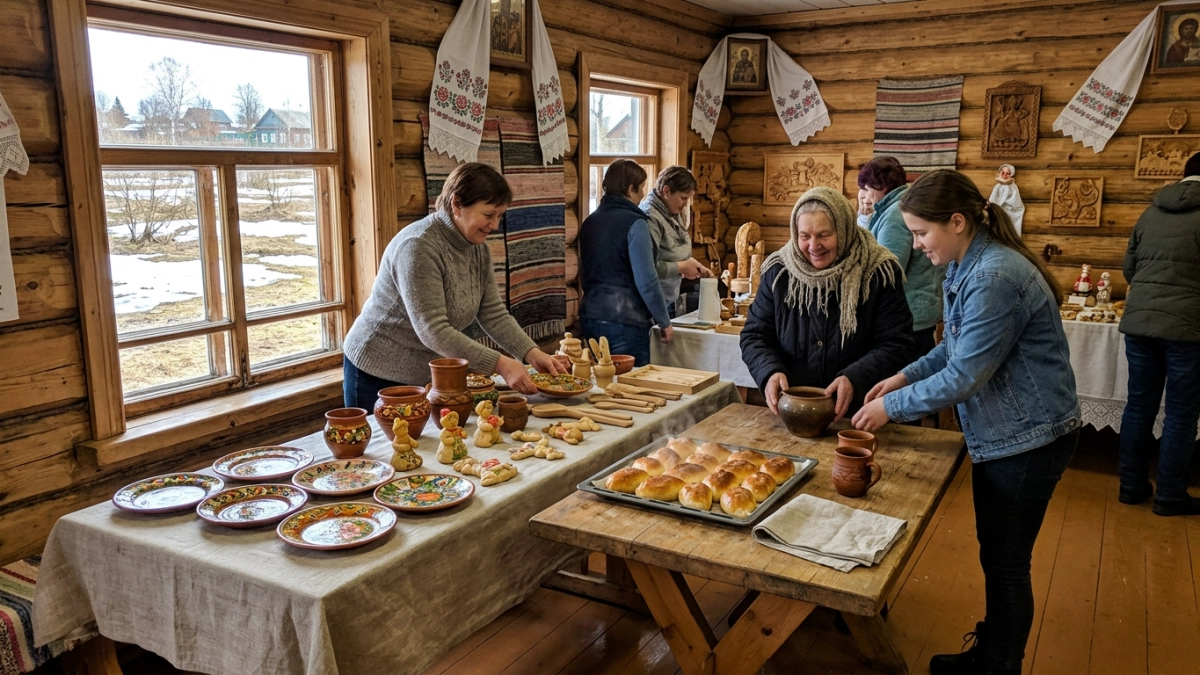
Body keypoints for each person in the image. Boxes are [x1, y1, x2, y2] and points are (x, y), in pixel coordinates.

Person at [851, 170, 1080, 675]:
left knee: (1005, 562)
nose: (915, 244)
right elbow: (953, 348)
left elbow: (965, 375)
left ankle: (1000, 664)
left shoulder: (995, 276)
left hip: (1028, 438)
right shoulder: (968, 262)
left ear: (956, 222)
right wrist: (903, 376)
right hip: (1012, 433)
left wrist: (892, 407)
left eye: (920, 233)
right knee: (998, 555)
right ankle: (994, 653)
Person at [342, 162, 563, 408]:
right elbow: (433, 330)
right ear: (457, 204)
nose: (495, 225)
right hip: (377, 369)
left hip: (426, 371)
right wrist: (501, 363)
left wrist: (530, 353)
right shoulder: (418, 247)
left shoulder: (477, 248)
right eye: (488, 215)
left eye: (500, 216)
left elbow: (493, 313)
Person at [740, 186, 915, 421]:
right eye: (804, 236)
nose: (814, 246)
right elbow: (755, 335)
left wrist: (854, 378)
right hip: (793, 412)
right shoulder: (779, 272)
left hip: (859, 414)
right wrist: (769, 371)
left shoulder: (878, 272)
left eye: (824, 235)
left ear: (843, 230)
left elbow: (897, 343)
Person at [1117, 152, 1200, 516]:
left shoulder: (1151, 212)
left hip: (1140, 324)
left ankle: (1131, 487)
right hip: (1188, 327)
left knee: (1139, 406)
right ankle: (1169, 495)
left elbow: (1129, 268)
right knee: (1181, 413)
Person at [578, 159, 674, 366]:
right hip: (626, 321)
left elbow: (585, 273)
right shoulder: (636, 223)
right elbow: (647, 280)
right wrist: (664, 321)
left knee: (601, 385)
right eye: (641, 189)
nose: (642, 196)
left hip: (591, 316)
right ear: (631, 189)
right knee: (632, 387)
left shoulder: (589, 222)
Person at [858, 156, 944, 357]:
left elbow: (888, 269)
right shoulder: (903, 206)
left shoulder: (895, 215)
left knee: (904, 377)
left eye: (868, 188)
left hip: (907, 313)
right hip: (919, 308)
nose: (867, 196)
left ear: (881, 186)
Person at [640, 165, 712, 315]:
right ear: (666, 191)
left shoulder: (672, 210)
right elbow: (646, 267)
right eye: (683, 198)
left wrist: (692, 263)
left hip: (670, 295)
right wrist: (682, 267)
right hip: (652, 304)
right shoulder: (650, 218)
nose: (685, 204)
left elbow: (672, 248)